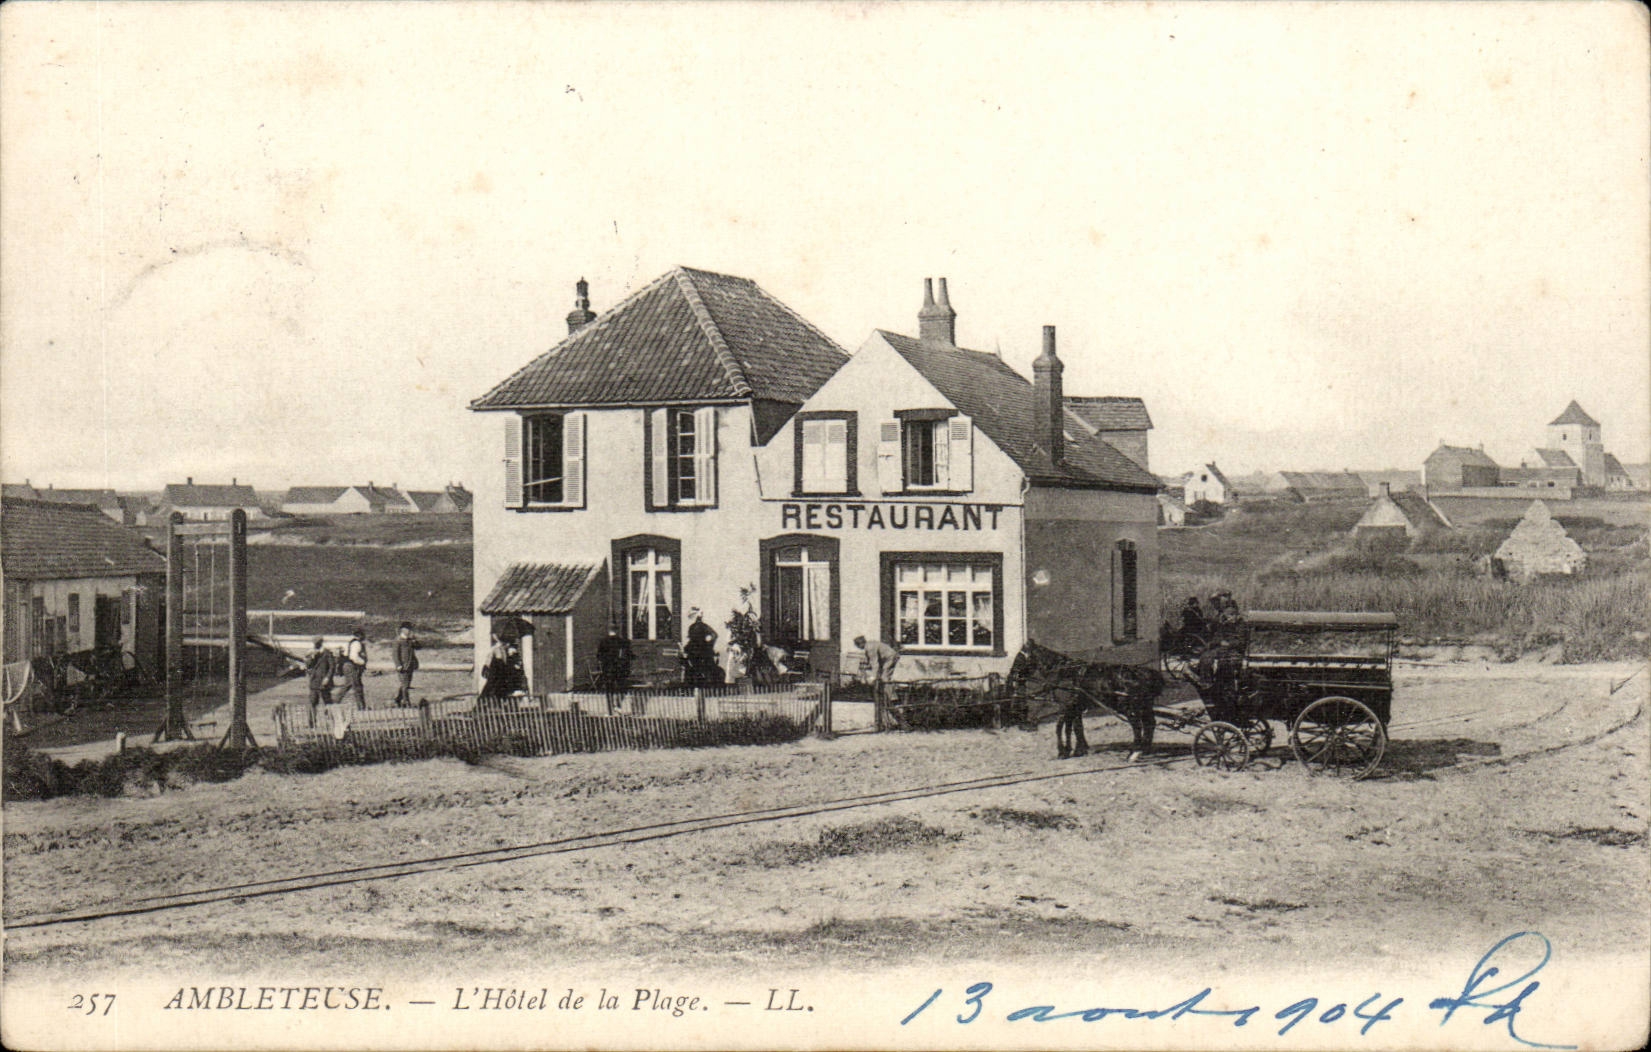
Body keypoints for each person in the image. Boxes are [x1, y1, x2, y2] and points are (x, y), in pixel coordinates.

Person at [854, 634, 901, 731]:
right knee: (882, 676)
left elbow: (875, 664)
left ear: (860, 644)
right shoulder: (868, 646)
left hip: (890, 657)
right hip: (886, 658)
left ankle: (891, 696)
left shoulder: (870, 648)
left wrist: (873, 677)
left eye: (858, 646)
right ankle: (885, 692)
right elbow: (871, 662)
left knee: (885, 677)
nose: (858, 648)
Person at [596, 625, 634, 715]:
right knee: (621, 687)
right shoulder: (622, 641)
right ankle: (618, 705)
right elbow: (628, 655)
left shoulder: (603, 641)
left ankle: (610, 710)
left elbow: (599, 656)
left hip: (607, 669)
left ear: (609, 630)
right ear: (617, 631)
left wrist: (603, 663)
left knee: (609, 689)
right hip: (619, 668)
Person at [683, 608, 721, 688]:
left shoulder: (694, 627)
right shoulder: (702, 626)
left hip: (696, 653)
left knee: (693, 671)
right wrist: (709, 645)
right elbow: (714, 635)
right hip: (701, 652)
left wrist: (708, 645)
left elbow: (714, 635)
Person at [303, 637, 335, 726]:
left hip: (324, 682)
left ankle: (331, 721)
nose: (315, 645)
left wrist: (327, 678)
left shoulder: (327, 653)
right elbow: (308, 666)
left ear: (321, 643)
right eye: (314, 643)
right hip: (314, 682)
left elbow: (332, 667)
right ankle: (311, 723)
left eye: (317, 643)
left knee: (328, 702)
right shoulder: (311, 653)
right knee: (313, 702)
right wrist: (311, 657)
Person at [340, 626, 368, 710]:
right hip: (352, 666)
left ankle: (333, 701)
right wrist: (363, 662)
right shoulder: (357, 644)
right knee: (357, 686)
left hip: (347, 666)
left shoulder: (350, 642)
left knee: (349, 685)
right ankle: (361, 707)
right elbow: (354, 657)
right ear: (360, 635)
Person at [392, 621, 420, 706]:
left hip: (410, 665)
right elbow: (395, 654)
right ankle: (406, 702)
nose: (409, 631)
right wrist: (398, 665)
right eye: (408, 629)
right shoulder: (398, 640)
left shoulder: (410, 640)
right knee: (405, 684)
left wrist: (415, 641)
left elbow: (419, 647)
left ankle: (398, 699)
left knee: (406, 684)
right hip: (403, 666)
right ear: (402, 630)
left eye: (410, 629)